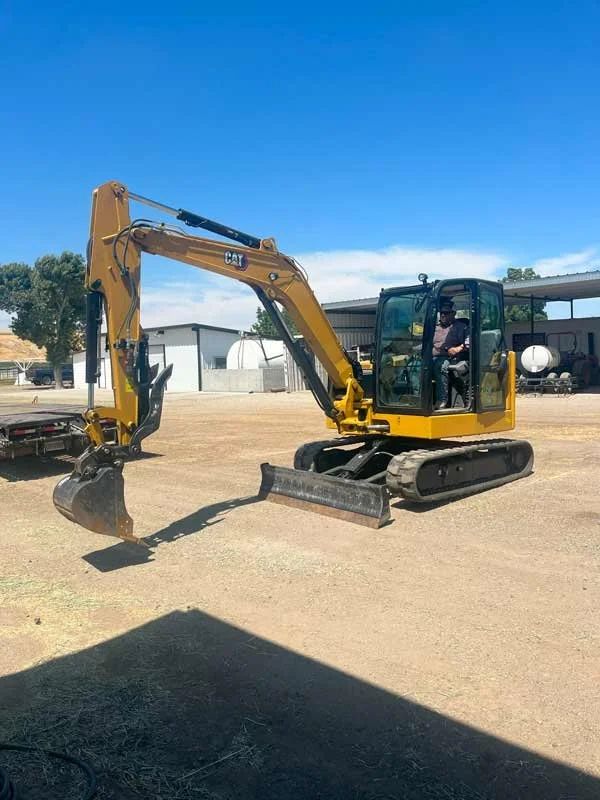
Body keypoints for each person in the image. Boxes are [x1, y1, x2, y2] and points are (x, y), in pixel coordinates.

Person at [432, 299, 469, 408]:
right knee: (416, 366)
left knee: (440, 366)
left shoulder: (461, 326)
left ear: (453, 313)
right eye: (441, 313)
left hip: (450, 357)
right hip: (432, 357)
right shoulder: (435, 328)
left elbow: (470, 340)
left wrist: (459, 347)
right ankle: (417, 397)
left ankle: (442, 400)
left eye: (446, 313)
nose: (443, 315)